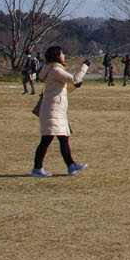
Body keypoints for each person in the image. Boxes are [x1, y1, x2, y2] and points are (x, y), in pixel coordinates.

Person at [32, 45, 88, 177]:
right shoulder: (56, 70)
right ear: (57, 56)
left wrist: (75, 86)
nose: (63, 56)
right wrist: (84, 67)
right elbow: (74, 79)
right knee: (49, 139)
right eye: (62, 54)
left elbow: (62, 90)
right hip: (53, 110)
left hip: (54, 110)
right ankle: (38, 168)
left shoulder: (52, 69)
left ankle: (70, 165)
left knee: (62, 138)